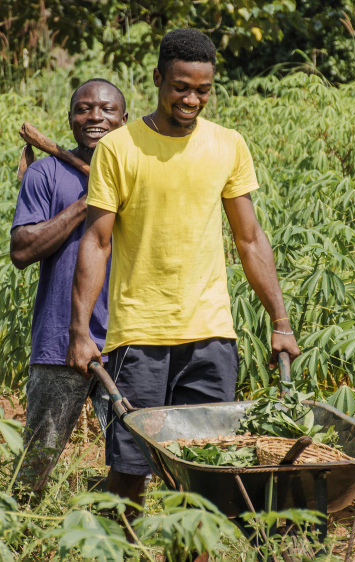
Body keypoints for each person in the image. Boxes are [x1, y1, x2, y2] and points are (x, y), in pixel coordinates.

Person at [66, 29, 302, 514]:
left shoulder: (228, 145)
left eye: (202, 89)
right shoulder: (119, 147)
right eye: (180, 87)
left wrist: (280, 322)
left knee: (205, 475)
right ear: (158, 79)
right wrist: (80, 330)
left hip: (211, 334)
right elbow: (96, 240)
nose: (191, 99)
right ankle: (117, 545)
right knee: (131, 470)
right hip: (139, 336)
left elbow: (250, 238)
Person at [10, 78, 128, 494]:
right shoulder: (47, 173)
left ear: (125, 120)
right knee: (35, 461)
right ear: (71, 119)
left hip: (130, 339)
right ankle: (18, 533)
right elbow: (22, 251)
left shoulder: (139, 171)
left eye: (107, 110)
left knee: (135, 460)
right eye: (84, 109)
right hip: (61, 338)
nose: (95, 117)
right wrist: (86, 202)